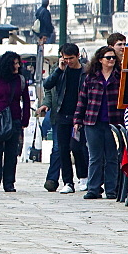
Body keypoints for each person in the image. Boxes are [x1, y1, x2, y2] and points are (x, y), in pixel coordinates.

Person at [74, 46, 122, 199]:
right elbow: (82, 100)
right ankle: (93, 188)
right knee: (95, 156)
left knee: (112, 157)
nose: (112, 60)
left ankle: (111, 189)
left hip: (113, 121)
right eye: (108, 58)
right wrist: (77, 120)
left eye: (113, 58)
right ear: (100, 60)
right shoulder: (91, 77)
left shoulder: (120, 77)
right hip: (92, 120)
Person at [39, 43, 88, 193]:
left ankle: (83, 176)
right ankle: (68, 182)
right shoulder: (59, 69)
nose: (67, 61)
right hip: (61, 114)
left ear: (78, 56)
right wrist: (59, 70)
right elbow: (47, 84)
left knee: (77, 147)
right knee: (63, 149)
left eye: (70, 58)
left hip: (79, 115)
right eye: (64, 58)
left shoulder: (85, 71)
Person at [0, 51, 30, 192]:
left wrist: (24, 119)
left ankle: (9, 182)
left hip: (14, 119)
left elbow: (26, 101)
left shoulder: (20, 80)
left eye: (18, 63)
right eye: (14, 63)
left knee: (11, 153)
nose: (17, 66)